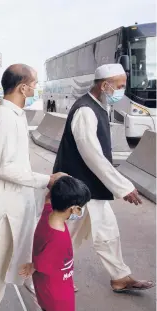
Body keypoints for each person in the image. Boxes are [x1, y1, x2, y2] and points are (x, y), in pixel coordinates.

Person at [0, 64, 66, 311]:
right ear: (22, 87)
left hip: (14, 205)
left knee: (5, 265)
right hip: (4, 209)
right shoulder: (4, 118)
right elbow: (4, 168)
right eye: (34, 83)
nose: (35, 88)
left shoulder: (13, 115)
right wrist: (45, 180)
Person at [53, 63, 155, 293]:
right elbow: (93, 155)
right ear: (105, 85)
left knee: (107, 231)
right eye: (119, 86)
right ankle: (44, 275)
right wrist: (122, 187)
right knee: (64, 234)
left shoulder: (99, 107)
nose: (122, 90)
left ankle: (120, 277)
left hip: (90, 187)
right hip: (75, 189)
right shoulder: (85, 110)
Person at [19, 176, 91, 311]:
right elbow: (41, 263)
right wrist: (32, 266)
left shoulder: (47, 214)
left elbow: (47, 199)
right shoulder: (58, 238)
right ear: (73, 209)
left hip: (48, 287)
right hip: (57, 294)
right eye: (81, 207)